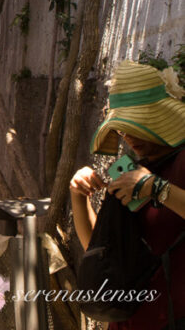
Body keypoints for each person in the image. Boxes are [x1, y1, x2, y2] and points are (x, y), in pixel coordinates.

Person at [69, 59, 185, 330]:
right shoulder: (131, 169)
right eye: (122, 129)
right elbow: (102, 251)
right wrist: (78, 196)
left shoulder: (180, 163)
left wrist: (157, 188)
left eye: (137, 124)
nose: (129, 137)